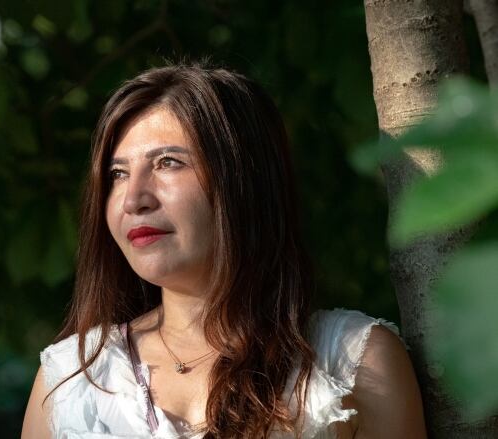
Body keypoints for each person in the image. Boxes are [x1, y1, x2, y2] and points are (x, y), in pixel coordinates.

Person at [21, 64, 426, 438]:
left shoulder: (351, 361)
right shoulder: (69, 379)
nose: (133, 199)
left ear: (243, 181)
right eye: (118, 174)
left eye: (167, 163)